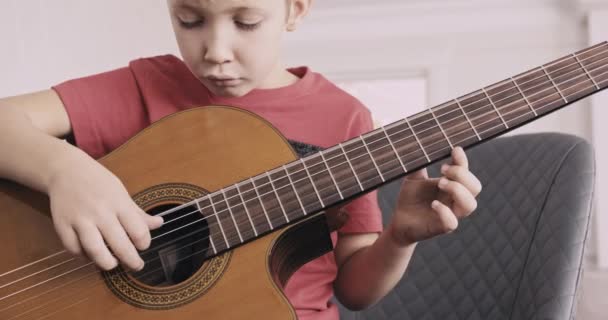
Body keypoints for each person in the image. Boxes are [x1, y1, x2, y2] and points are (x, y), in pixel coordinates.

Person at [0, 0, 482, 319]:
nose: (215, 51)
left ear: (294, 9)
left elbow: (354, 290)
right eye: (189, 20)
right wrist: (65, 169)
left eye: (246, 22)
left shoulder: (345, 119)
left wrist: (398, 238)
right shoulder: (145, 86)